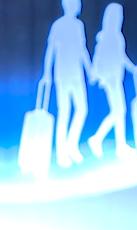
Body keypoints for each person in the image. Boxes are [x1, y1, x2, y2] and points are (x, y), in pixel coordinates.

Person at [40, 0, 93, 168]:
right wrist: (47, 73)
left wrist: (89, 70)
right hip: (63, 74)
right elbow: (51, 50)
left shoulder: (79, 25)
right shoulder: (58, 25)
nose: (78, 6)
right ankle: (62, 154)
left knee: (82, 109)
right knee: (64, 112)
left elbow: (82, 49)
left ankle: (71, 145)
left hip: (76, 73)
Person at [87, 3, 137, 160]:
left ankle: (118, 145)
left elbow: (122, 57)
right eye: (118, 15)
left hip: (116, 78)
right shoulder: (105, 37)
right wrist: (96, 74)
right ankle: (98, 139)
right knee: (118, 111)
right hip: (110, 79)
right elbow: (98, 58)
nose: (120, 18)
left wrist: (133, 69)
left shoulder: (117, 36)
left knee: (119, 111)